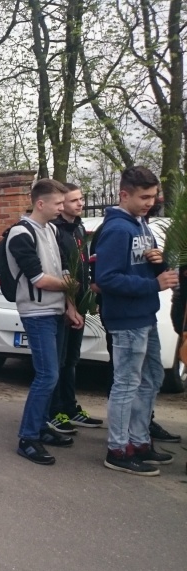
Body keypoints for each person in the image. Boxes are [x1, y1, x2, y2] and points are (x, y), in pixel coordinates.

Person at [94, 166, 178, 476]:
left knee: (152, 376)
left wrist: (159, 263)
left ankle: (140, 441)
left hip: (144, 313)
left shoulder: (141, 225)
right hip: (126, 318)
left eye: (154, 196)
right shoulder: (118, 229)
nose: (150, 202)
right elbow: (106, 278)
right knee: (126, 383)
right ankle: (118, 449)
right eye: (144, 197)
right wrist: (153, 285)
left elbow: (144, 268)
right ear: (124, 194)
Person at [6, 179, 83, 465]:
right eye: (58, 204)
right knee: (47, 374)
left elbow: (63, 270)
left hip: (56, 310)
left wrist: (70, 306)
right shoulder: (20, 234)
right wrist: (68, 286)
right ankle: (28, 438)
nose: (62, 208)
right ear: (41, 203)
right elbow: (38, 279)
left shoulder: (52, 229)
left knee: (54, 371)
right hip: (36, 315)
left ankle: (40, 428)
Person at [44, 183, 102, 432]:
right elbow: (61, 270)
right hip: (62, 305)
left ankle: (69, 407)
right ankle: (54, 411)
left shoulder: (78, 227)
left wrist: (89, 298)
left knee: (71, 359)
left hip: (79, 301)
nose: (80, 204)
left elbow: (82, 266)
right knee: (58, 360)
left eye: (81, 199)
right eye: (74, 200)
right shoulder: (54, 231)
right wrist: (69, 305)